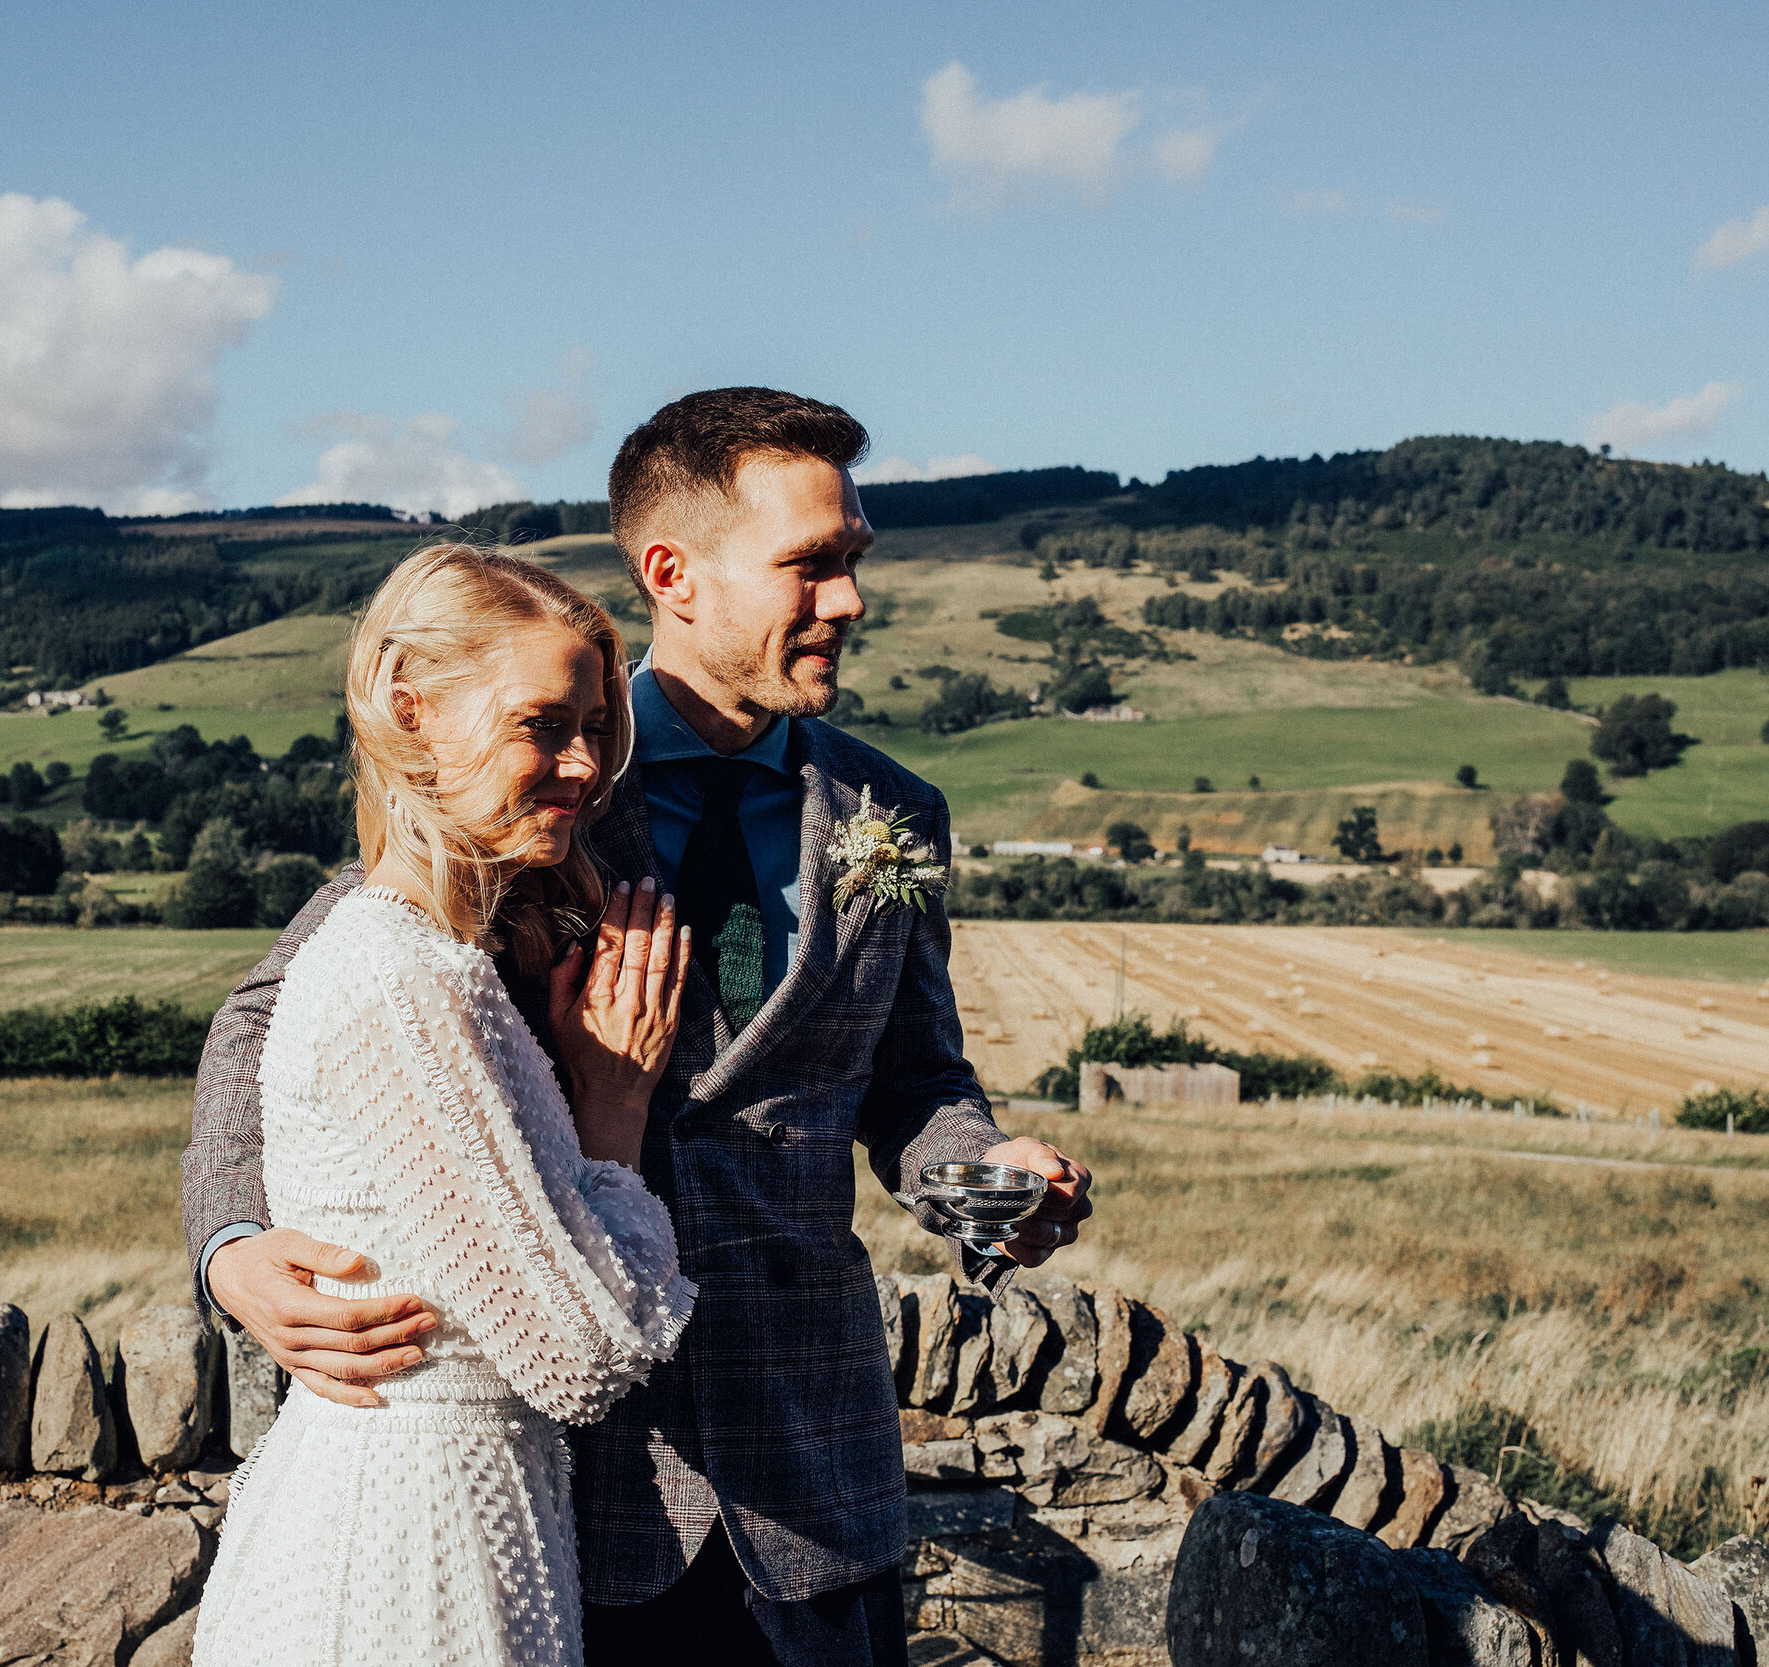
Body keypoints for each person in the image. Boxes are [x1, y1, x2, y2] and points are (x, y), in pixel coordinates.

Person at [184, 387, 1093, 1667]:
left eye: (854, 563)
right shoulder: (536, 779)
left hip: (818, 1470)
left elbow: (915, 1079)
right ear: (673, 572)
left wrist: (977, 1171)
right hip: (586, 1481)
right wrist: (233, 1244)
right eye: (810, 565)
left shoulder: (895, 811)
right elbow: (275, 1009)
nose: (848, 600)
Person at [190, 543, 699, 1667]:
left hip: (476, 1511)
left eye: (595, 731)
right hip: (410, 1546)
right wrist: (613, 1110)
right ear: (410, 713)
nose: (583, 767)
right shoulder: (397, 972)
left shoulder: (435, 957)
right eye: (541, 725)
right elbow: (580, 1354)